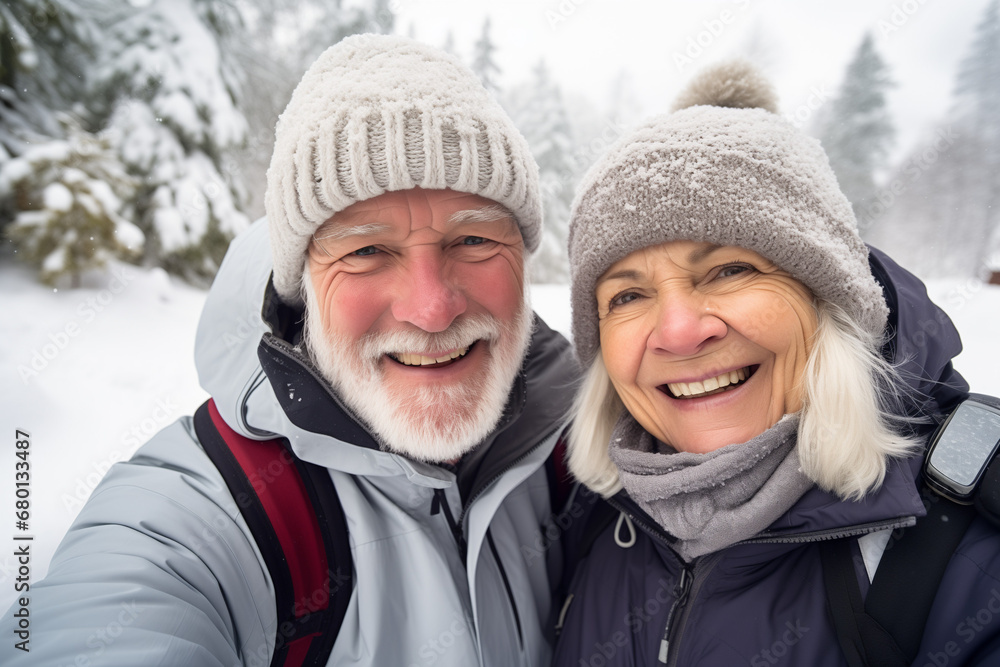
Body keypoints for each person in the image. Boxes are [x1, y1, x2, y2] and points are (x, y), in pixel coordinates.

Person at [1, 35, 578, 666]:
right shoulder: (206, 514)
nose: (431, 307)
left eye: (471, 239)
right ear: (300, 288)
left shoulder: (588, 455)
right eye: (365, 250)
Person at [552, 61, 1000, 666]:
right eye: (627, 295)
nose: (681, 333)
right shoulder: (590, 515)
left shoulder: (971, 549)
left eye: (731, 270)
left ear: (829, 297)